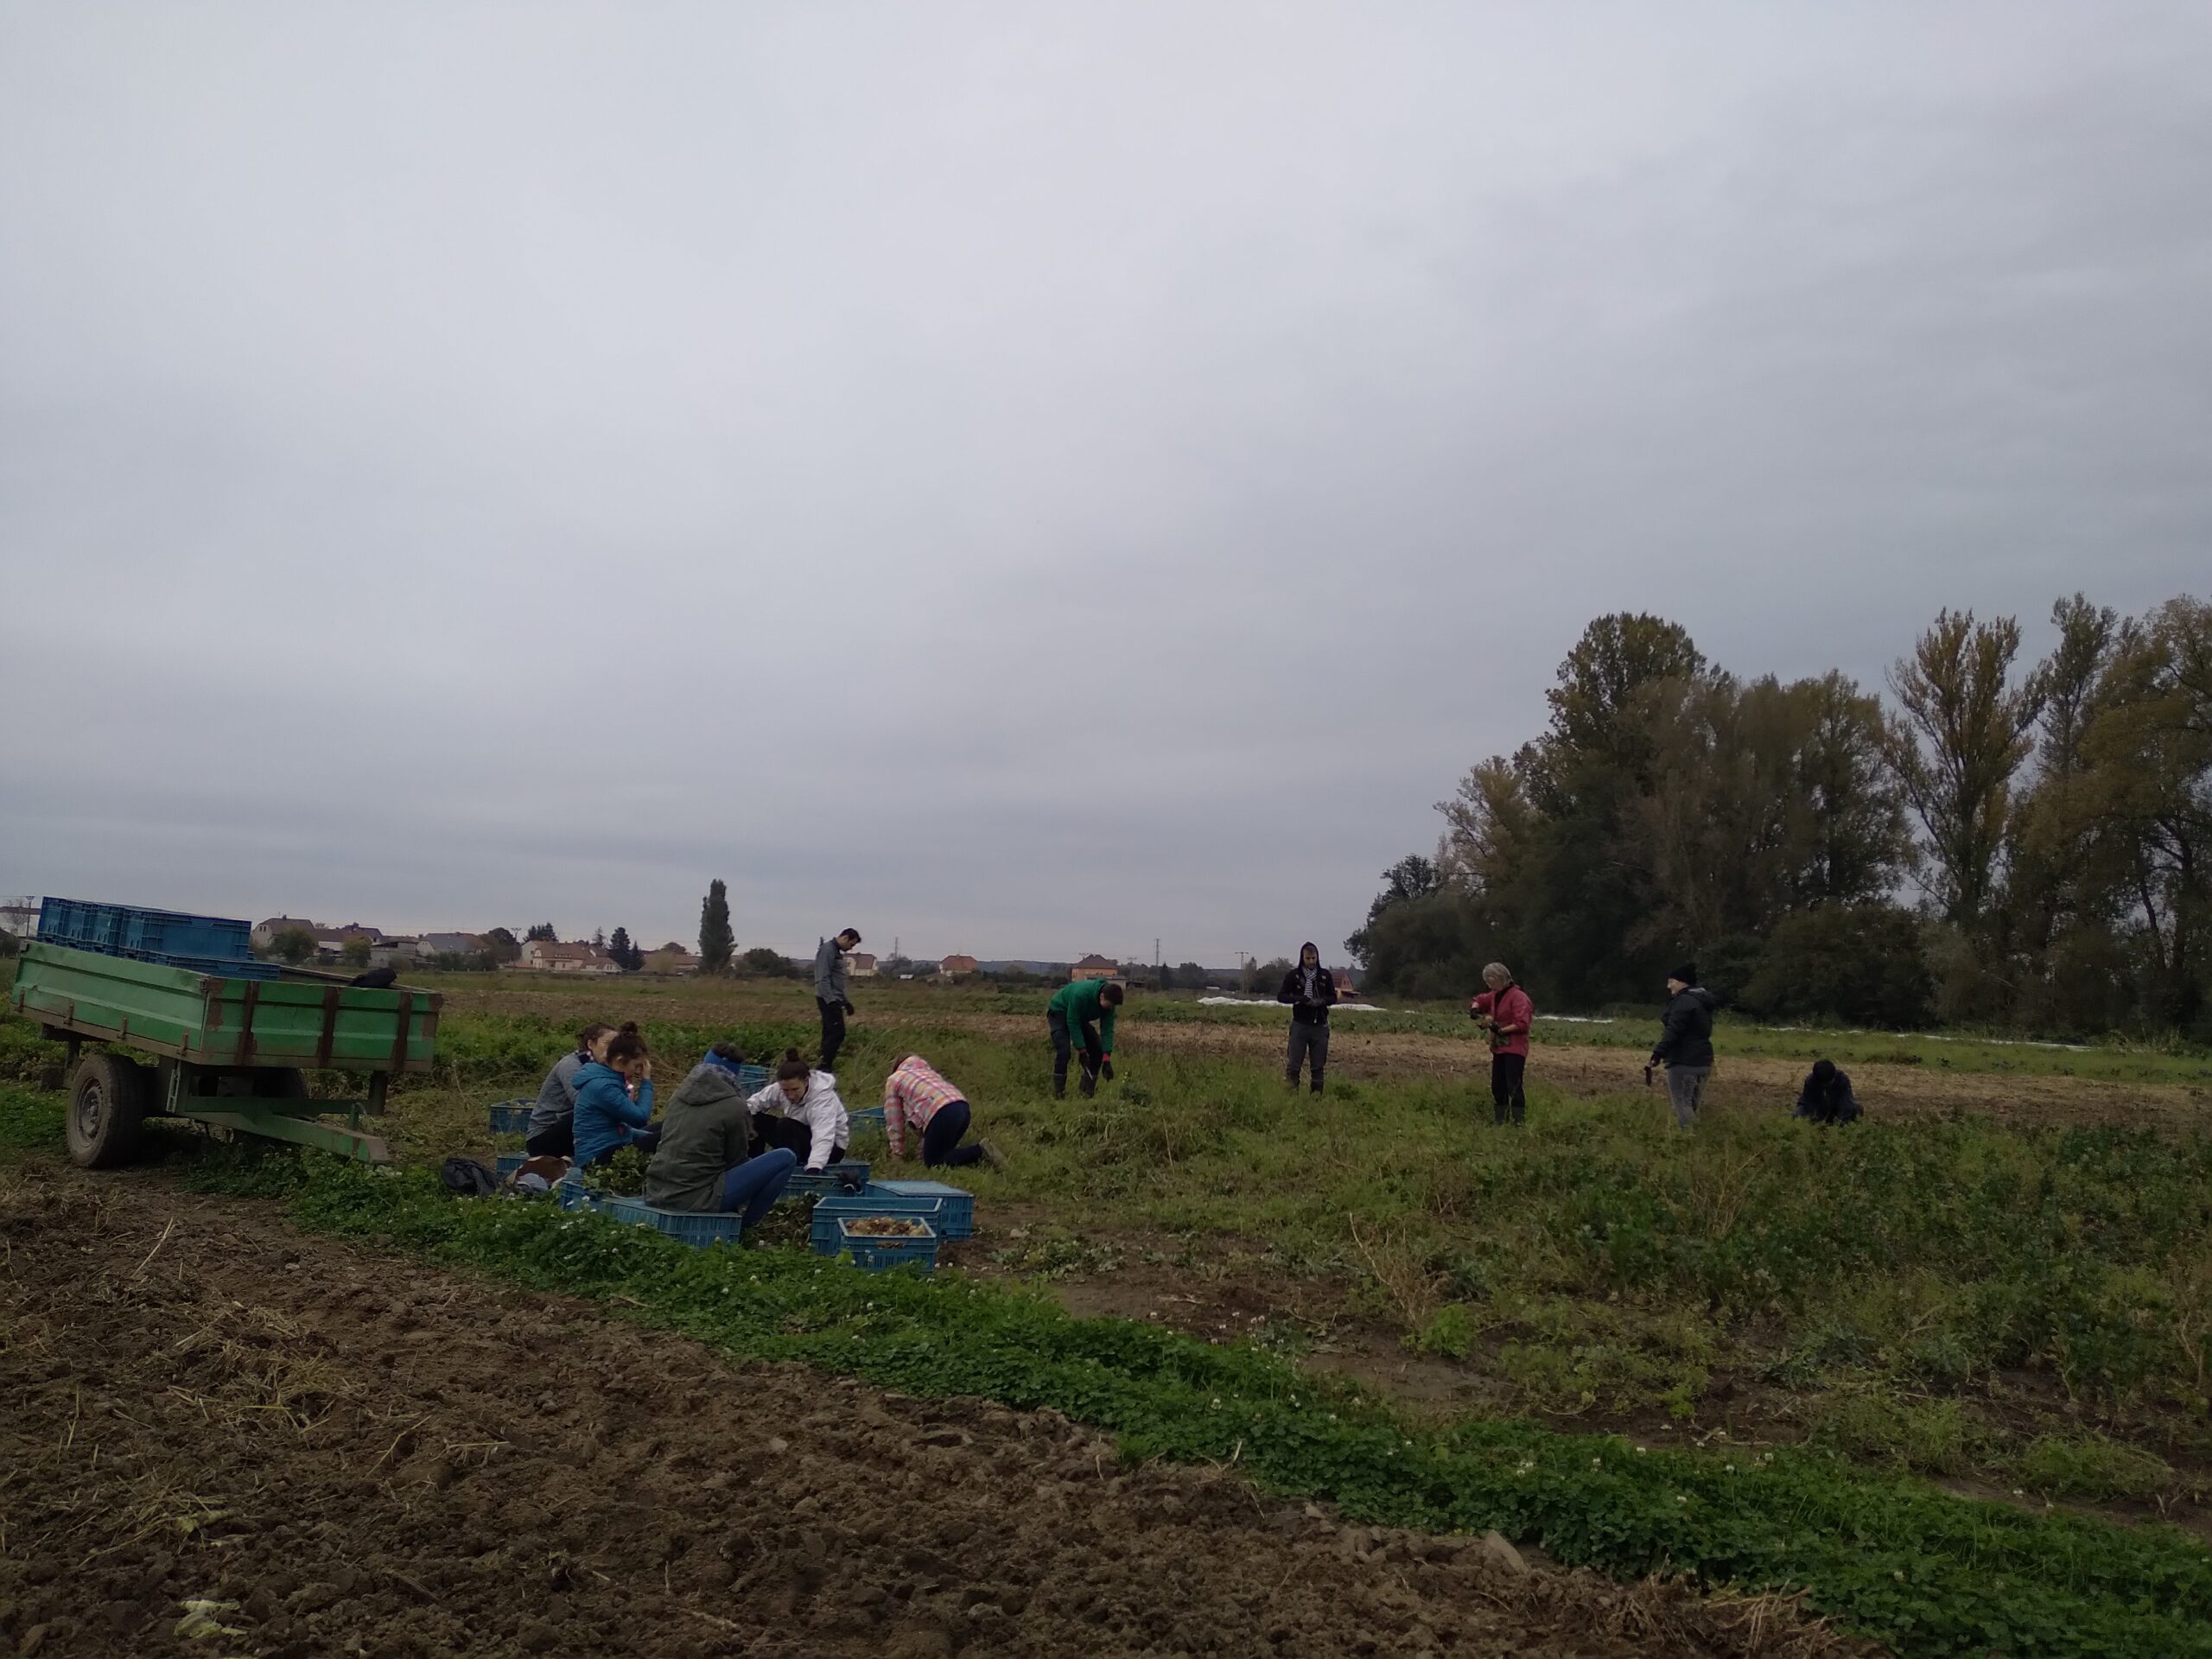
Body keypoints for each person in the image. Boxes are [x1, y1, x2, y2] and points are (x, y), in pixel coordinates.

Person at [644, 1042, 798, 1228]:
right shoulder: (734, 1105)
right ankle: (747, 1228)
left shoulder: (679, 1095)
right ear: (734, 1076)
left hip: (655, 1190)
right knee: (785, 1158)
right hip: (697, 1198)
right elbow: (736, 1160)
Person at [882, 1053, 1001, 1169]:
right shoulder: (929, 1073)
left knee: (933, 1162)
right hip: (962, 1107)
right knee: (944, 1153)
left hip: (942, 1112)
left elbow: (894, 1120)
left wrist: (897, 1153)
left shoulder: (894, 1080)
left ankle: (980, 1151)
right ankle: (978, 1158)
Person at [746, 1047, 852, 1172]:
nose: (790, 1095)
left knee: (785, 1125)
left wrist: (815, 1166)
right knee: (751, 1119)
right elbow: (752, 1104)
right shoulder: (779, 1089)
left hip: (832, 1149)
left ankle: (790, 1166)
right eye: (785, 1091)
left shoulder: (822, 1099)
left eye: (795, 1090)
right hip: (796, 1136)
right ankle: (753, 1162)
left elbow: (823, 1135)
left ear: (806, 1081)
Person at [571, 1022, 660, 1166]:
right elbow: (640, 1118)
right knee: (667, 1136)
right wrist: (646, 1081)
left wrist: (649, 1137)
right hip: (596, 1158)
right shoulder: (603, 1087)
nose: (639, 1071)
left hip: (613, 1145)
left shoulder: (611, 1079)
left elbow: (624, 1127)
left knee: (666, 1129)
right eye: (637, 1066)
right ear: (620, 1061)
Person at [524, 1021, 616, 1158]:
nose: (614, 1050)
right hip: (544, 1137)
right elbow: (582, 1103)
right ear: (591, 1044)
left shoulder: (603, 1068)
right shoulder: (571, 1065)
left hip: (574, 1131)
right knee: (595, 1112)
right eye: (608, 1043)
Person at [1649, 963, 1718, 1128]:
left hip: (1684, 1062)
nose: (1668, 985)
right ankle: (1696, 1138)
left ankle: (1690, 1140)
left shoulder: (1683, 1002)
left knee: (1682, 1104)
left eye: (1671, 981)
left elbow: (1674, 1030)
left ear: (1682, 982)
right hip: (1703, 1061)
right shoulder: (1701, 1001)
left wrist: (1658, 1053)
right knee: (1692, 1105)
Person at [1469, 962, 1534, 1126]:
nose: (1489, 985)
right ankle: (1501, 1121)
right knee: (1498, 1085)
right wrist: (1475, 1009)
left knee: (1514, 1084)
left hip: (1514, 1047)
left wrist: (1501, 1030)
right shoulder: (1495, 995)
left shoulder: (1519, 997)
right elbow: (1480, 999)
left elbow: (1522, 1024)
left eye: (1491, 981)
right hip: (1499, 1048)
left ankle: (1519, 1122)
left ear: (1500, 978)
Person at [1275, 943, 1339, 1093]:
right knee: (1294, 1065)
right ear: (1302, 958)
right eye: (1308, 958)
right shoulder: (1294, 976)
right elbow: (1281, 996)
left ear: (1317, 957)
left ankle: (1316, 1099)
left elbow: (1333, 997)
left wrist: (1322, 1001)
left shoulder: (1324, 975)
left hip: (1320, 1025)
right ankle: (1291, 1097)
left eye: (1313, 958)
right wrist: (1300, 999)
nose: (1311, 961)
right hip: (1300, 1025)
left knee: (1318, 1067)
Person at [1046, 976, 1122, 1098]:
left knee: (1097, 1051)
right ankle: (1059, 1095)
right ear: (1102, 996)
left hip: (1078, 1017)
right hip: (1059, 1012)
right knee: (1064, 1051)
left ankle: (1086, 1093)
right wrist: (1082, 1050)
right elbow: (1072, 1022)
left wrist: (1106, 1058)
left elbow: (1107, 1030)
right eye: (1109, 1005)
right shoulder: (1081, 994)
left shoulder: (1110, 1005)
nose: (1110, 1008)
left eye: (1113, 1006)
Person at [814, 928, 861, 1072]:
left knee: (830, 1032)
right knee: (837, 1032)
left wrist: (845, 1002)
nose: (850, 949)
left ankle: (824, 1064)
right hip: (827, 999)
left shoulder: (836, 952)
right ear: (845, 938)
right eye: (851, 945)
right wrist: (831, 1001)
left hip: (835, 998)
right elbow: (823, 978)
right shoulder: (827, 950)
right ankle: (824, 1066)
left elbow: (836, 982)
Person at [1794, 1058, 1861, 1125]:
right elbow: (1809, 1105)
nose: (1826, 1086)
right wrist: (1818, 1122)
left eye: (1828, 1083)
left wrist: (1840, 1123)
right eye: (1823, 1084)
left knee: (1855, 1109)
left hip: (1836, 1109)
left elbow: (1846, 1104)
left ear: (1834, 1075)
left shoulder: (1842, 1079)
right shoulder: (1810, 1082)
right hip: (1818, 1109)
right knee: (1799, 1113)